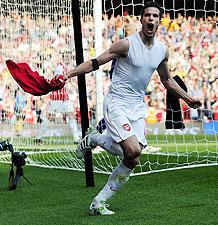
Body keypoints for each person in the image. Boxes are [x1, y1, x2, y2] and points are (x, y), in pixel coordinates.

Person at [63, 2, 201, 215]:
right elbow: (95, 63)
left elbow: (167, 80)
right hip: (116, 102)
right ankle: (95, 139)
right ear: (141, 19)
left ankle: (98, 202)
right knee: (132, 150)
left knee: (133, 158)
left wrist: (187, 99)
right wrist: (68, 74)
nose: (151, 19)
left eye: (155, 16)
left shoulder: (162, 51)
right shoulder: (125, 45)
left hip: (137, 107)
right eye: (147, 15)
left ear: (159, 21)